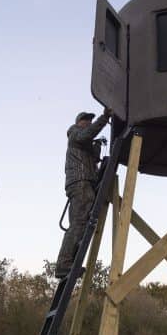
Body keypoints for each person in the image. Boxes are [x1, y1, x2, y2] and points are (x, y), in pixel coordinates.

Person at [55, 107, 112, 278]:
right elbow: (86, 135)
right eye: (85, 119)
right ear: (78, 122)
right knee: (79, 223)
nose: (88, 122)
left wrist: (97, 147)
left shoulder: (84, 145)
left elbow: (92, 158)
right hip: (81, 183)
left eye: (90, 120)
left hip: (83, 183)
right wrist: (104, 118)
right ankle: (64, 264)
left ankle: (67, 262)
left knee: (80, 224)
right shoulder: (74, 133)